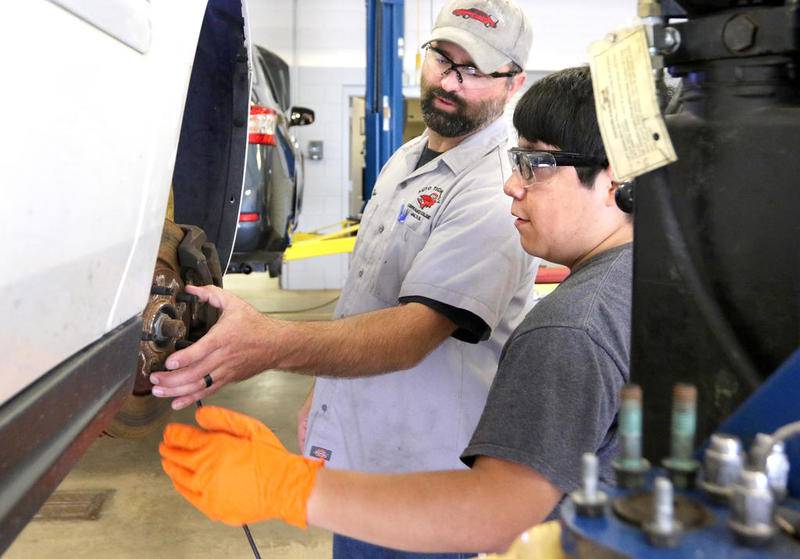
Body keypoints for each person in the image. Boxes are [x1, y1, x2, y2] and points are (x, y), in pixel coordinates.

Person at [159, 65, 634, 556]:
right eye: (518, 161)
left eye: (536, 165)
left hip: (427, 484)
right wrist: (327, 397)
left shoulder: (570, 327)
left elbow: (494, 513)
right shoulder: (639, 278)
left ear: (613, 180)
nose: (512, 185)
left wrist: (287, 487)